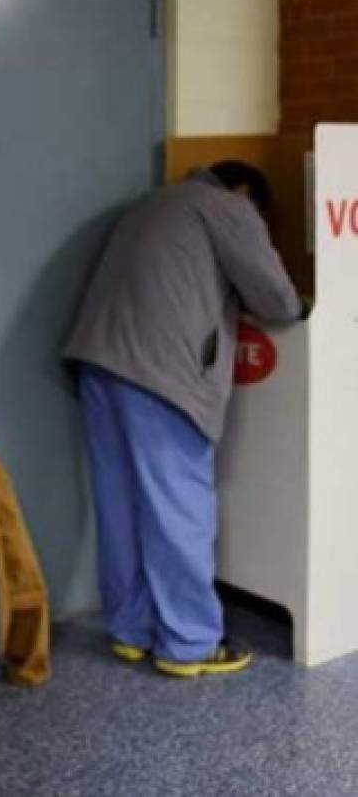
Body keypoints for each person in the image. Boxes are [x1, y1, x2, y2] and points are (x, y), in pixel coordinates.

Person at [64, 161, 302, 678]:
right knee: (179, 507)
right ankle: (188, 642)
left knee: (121, 505)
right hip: (160, 374)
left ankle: (131, 630)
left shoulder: (152, 202)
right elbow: (279, 299)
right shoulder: (229, 208)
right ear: (245, 192)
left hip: (99, 364)